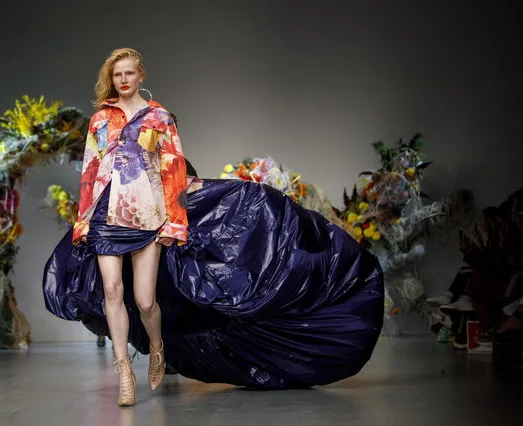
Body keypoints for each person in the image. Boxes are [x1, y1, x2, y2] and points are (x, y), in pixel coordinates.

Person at [43, 48, 385, 406]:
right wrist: (84, 220)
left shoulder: (159, 117)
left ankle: (157, 349)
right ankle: (124, 374)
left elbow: (174, 171)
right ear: (110, 79)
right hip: (106, 217)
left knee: (145, 302)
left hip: (145, 216)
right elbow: (90, 172)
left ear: (141, 76)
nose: (124, 80)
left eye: (129, 73)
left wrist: (174, 223)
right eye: (117, 75)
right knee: (112, 292)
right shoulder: (100, 121)